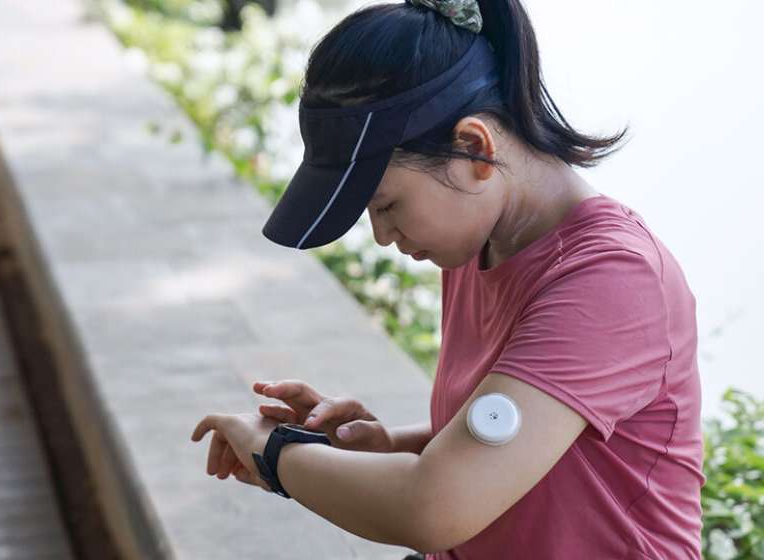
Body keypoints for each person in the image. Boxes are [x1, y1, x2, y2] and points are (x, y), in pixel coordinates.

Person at [190, 0, 706, 558]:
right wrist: (387, 446)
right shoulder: (477, 239)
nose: (383, 234)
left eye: (386, 205)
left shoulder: (611, 280)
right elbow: (513, 434)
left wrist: (274, 453)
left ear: (473, 148)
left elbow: (433, 508)